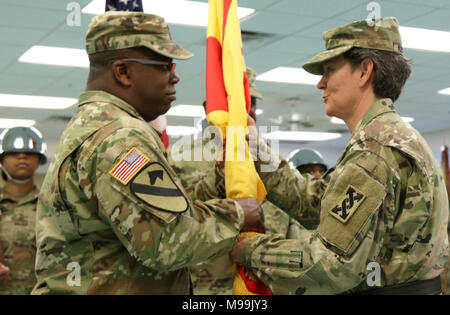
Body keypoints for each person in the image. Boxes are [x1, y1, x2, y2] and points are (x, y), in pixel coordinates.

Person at [31, 11, 264, 295]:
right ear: (123, 72)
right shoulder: (120, 136)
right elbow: (165, 242)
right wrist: (239, 213)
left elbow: (161, 214)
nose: (175, 77)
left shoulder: (96, 125)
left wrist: (221, 174)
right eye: (164, 65)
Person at [230, 17, 449, 294]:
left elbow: (331, 264)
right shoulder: (394, 135)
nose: (321, 84)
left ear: (364, 71)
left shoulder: (375, 150)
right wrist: (257, 152)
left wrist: (249, 249)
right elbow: (315, 205)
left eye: (330, 70)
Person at [169, 67, 293, 294]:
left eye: (250, 102)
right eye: (235, 102)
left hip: (267, 286)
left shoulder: (269, 158)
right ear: (210, 108)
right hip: (208, 287)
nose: (245, 110)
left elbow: (294, 223)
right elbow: (175, 223)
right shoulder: (180, 159)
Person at [0, 126, 47, 294]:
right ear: (2, 159)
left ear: (39, 159)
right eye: (13, 153)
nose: (22, 156)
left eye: (30, 153)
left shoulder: (51, 205)